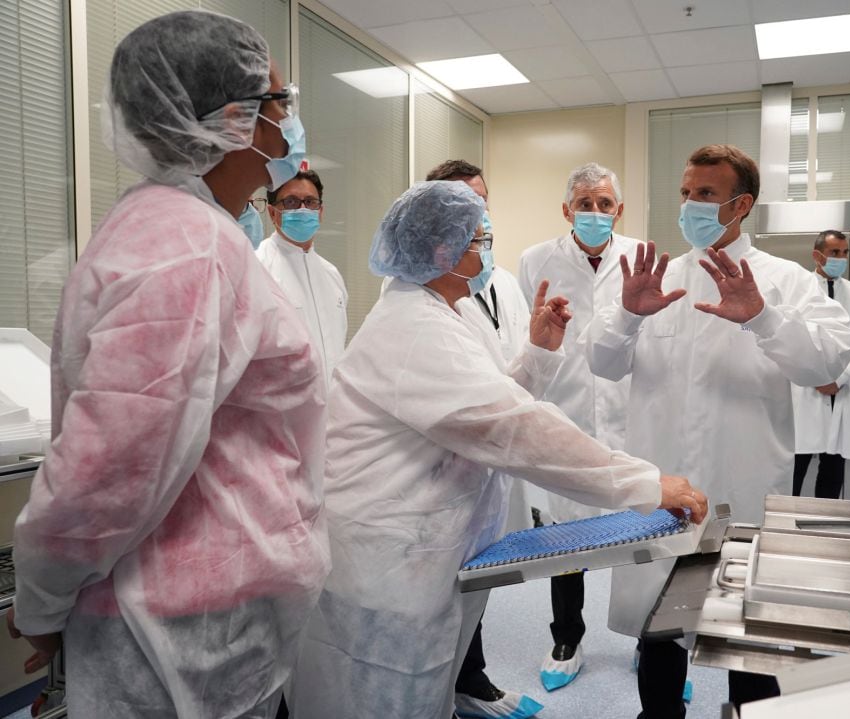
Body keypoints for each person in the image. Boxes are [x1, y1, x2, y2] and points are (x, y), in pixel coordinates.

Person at [5, 11, 329, 718]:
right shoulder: (180, 245)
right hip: (180, 637)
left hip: (206, 612)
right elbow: (109, 465)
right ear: (232, 119)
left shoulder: (198, 230)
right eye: (280, 100)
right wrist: (42, 600)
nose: (290, 117)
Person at [289, 180, 708, 719]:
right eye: (477, 239)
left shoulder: (446, 313)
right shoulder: (414, 328)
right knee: (383, 699)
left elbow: (485, 408)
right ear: (443, 252)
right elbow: (514, 429)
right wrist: (646, 485)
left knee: (423, 693)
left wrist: (536, 352)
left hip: (425, 552)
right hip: (385, 562)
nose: (485, 250)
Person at [586, 144, 850, 717]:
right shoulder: (655, 280)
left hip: (744, 485)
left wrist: (763, 317)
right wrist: (630, 315)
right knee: (657, 635)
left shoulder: (786, 281)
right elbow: (602, 364)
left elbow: (825, 364)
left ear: (741, 205)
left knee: (747, 645)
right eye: (685, 193)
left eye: (705, 194)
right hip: (663, 490)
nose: (690, 205)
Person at [423, 160, 541, 719]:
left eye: (484, 201)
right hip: (447, 470)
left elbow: (506, 381)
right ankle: (456, 687)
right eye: (465, 201)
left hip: (490, 459)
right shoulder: (424, 295)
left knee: (478, 578)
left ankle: (471, 680)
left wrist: (542, 346)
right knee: (447, 590)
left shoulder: (500, 284)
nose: (480, 214)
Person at [518, 162, 638, 692]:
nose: (594, 213)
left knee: (644, 534)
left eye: (604, 204)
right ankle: (567, 636)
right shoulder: (534, 260)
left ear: (619, 211)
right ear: (566, 210)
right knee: (566, 537)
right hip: (564, 414)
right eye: (584, 204)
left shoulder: (640, 257)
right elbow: (529, 338)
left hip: (630, 414)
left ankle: (649, 641)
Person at [792, 230, 850, 499]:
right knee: (795, 466)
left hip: (842, 390)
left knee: (833, 468)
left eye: (845, 253)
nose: (841, 258)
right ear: (817, 255)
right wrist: (816, 376)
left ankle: (823, 525)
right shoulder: (797, 291)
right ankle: (781, 522)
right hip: (806, 391)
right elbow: (789, 338)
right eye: (835, 253)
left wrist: (839, 379)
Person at [256, 168, 348, 385]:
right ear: (272, 213)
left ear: (321, 211)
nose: (303, 209)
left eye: (310, 202)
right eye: (291, 202)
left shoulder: (331, 275)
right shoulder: (257, 267)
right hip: (280, 412)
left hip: (331, 411)